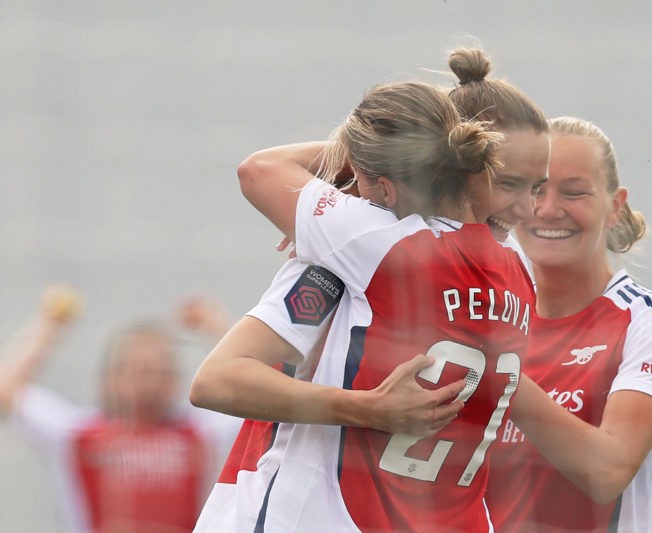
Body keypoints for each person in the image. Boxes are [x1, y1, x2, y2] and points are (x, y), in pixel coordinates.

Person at [190, 79, 539, 532]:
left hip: (319, 515)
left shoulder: (358, 249)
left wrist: (341, 172)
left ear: (383, 184)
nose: (528, 209)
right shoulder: (522, 272)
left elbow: (216, 380)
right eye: (516, 184)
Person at [485, 116, 652, 532]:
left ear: (615, 206)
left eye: (574, 192)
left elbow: (607, 471)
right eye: (534, 190)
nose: (548, 210)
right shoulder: (488, 317)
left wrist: (492, 370)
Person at [0, 285, 240, 533]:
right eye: (140, 371)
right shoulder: (79, 433)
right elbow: (7, 392)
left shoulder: (201, 433)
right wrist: (49, 327)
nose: (151, 382)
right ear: (110, 378)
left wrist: (216, 325)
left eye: (162, 371)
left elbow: (251, 384)